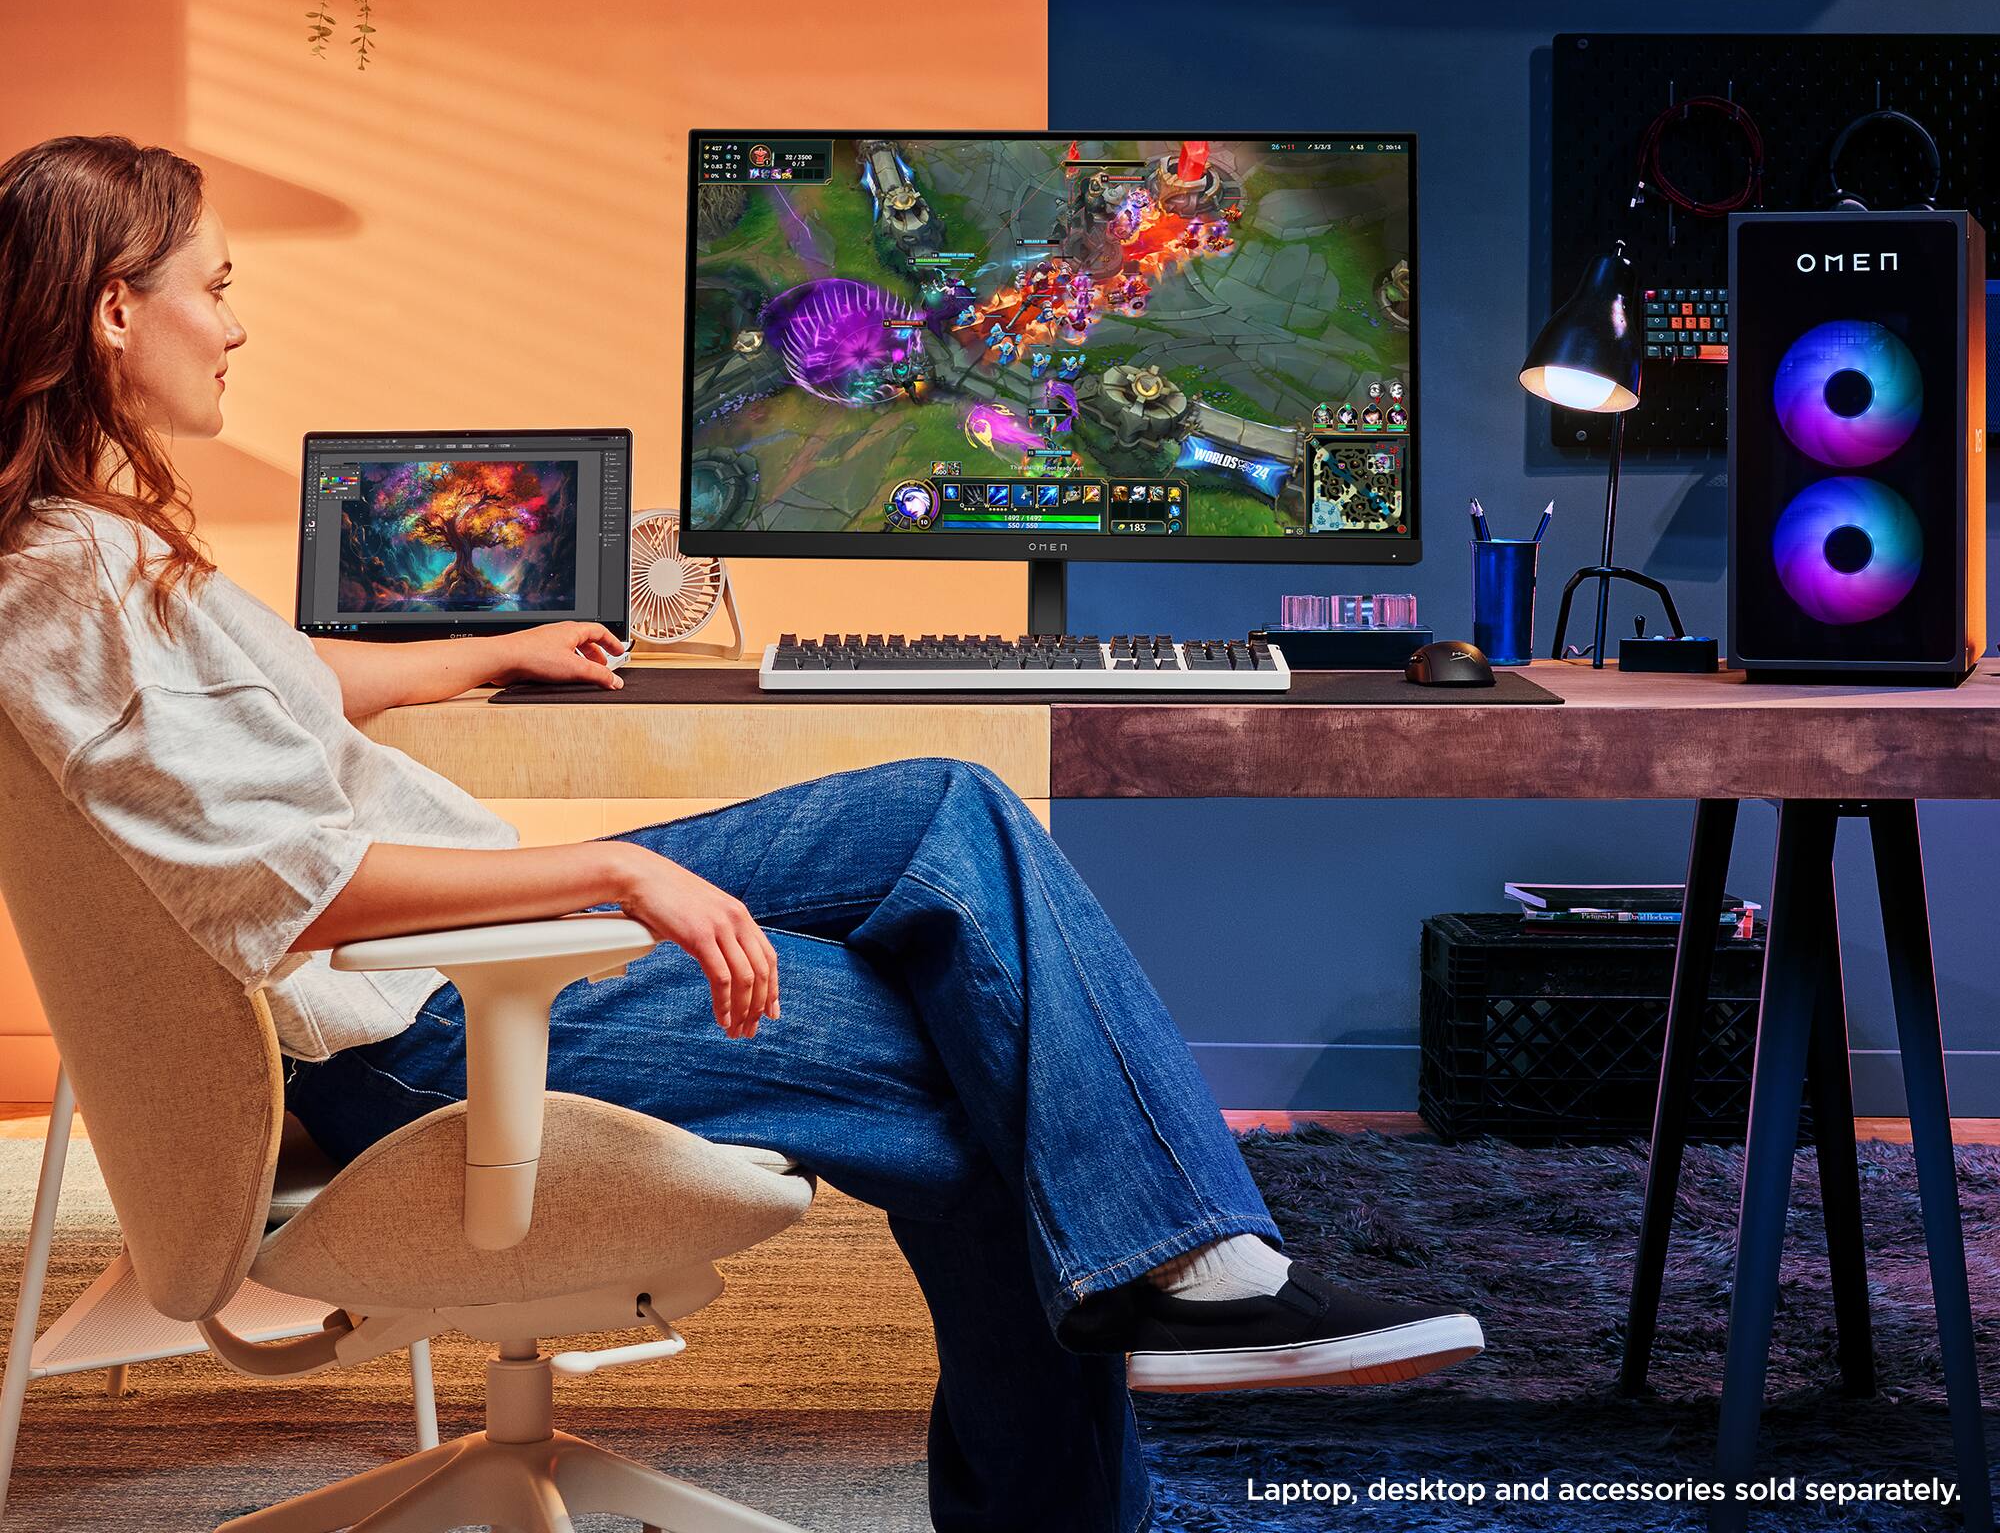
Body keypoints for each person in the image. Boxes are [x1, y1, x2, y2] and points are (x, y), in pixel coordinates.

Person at [0, 136, 1483, 1533]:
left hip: (424, 994)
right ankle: (1174, 1306)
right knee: (982, 1062)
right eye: (216, 287)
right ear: (119, 312)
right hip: (413, 1037)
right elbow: (295, 889)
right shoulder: (76, 586)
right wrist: (616, 868)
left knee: (942, 810)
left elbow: (273, 693)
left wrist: (478, 649)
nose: (235, 326)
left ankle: (1182, 1272)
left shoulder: (88, 548)